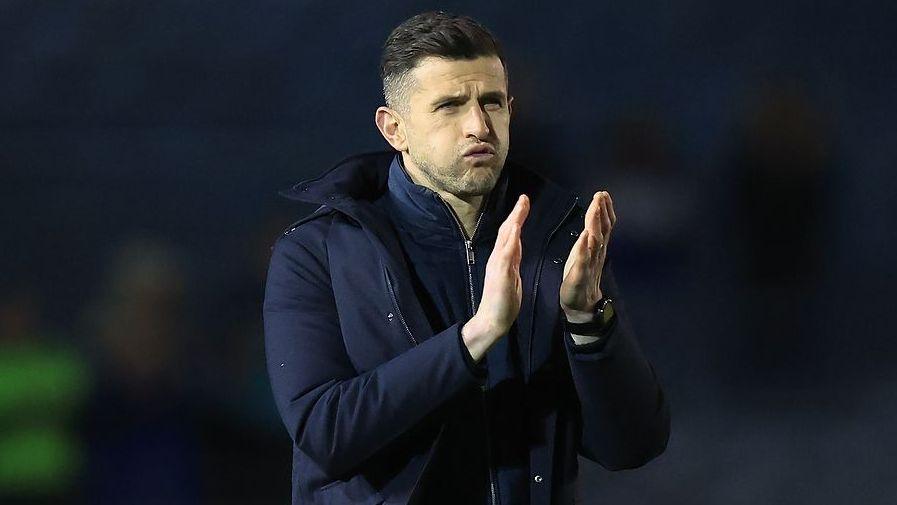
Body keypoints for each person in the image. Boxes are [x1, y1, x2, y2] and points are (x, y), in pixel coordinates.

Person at [263, 11, 669, 505]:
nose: (478, 125)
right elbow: (326, 434)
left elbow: (633, 446)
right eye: (450, 106)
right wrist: (476, 336)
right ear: (394, 129)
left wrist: (589, 322)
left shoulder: (560, 238)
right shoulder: (318, 252)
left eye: (491, 102)